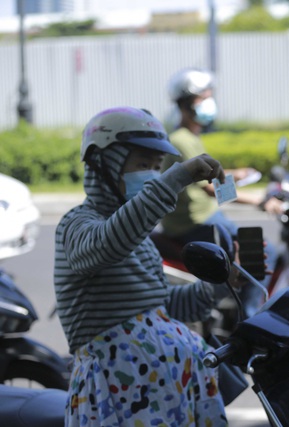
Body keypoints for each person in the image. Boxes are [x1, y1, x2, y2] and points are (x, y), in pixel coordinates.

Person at [54, 106, 228, 426]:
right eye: (142, 164)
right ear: (103, 162)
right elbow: (107, 245)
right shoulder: (77, 225)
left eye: (158, 166)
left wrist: (222, 286)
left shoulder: (139, 236)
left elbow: (162, 307)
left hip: (167, 394)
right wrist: (175, 179)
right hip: (119, 397)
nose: (152, 173)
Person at [161, 68, 282, 316]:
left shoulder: (189, 137)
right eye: (203, 98)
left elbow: (205, 175)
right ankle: (249, 316)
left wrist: (234, 174)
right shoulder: (181, 140)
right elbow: (208, 188)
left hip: (205, 216)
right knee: (265, 252)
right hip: (195, 221)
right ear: (187, 104)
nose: (209, 103)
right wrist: (259, 201)